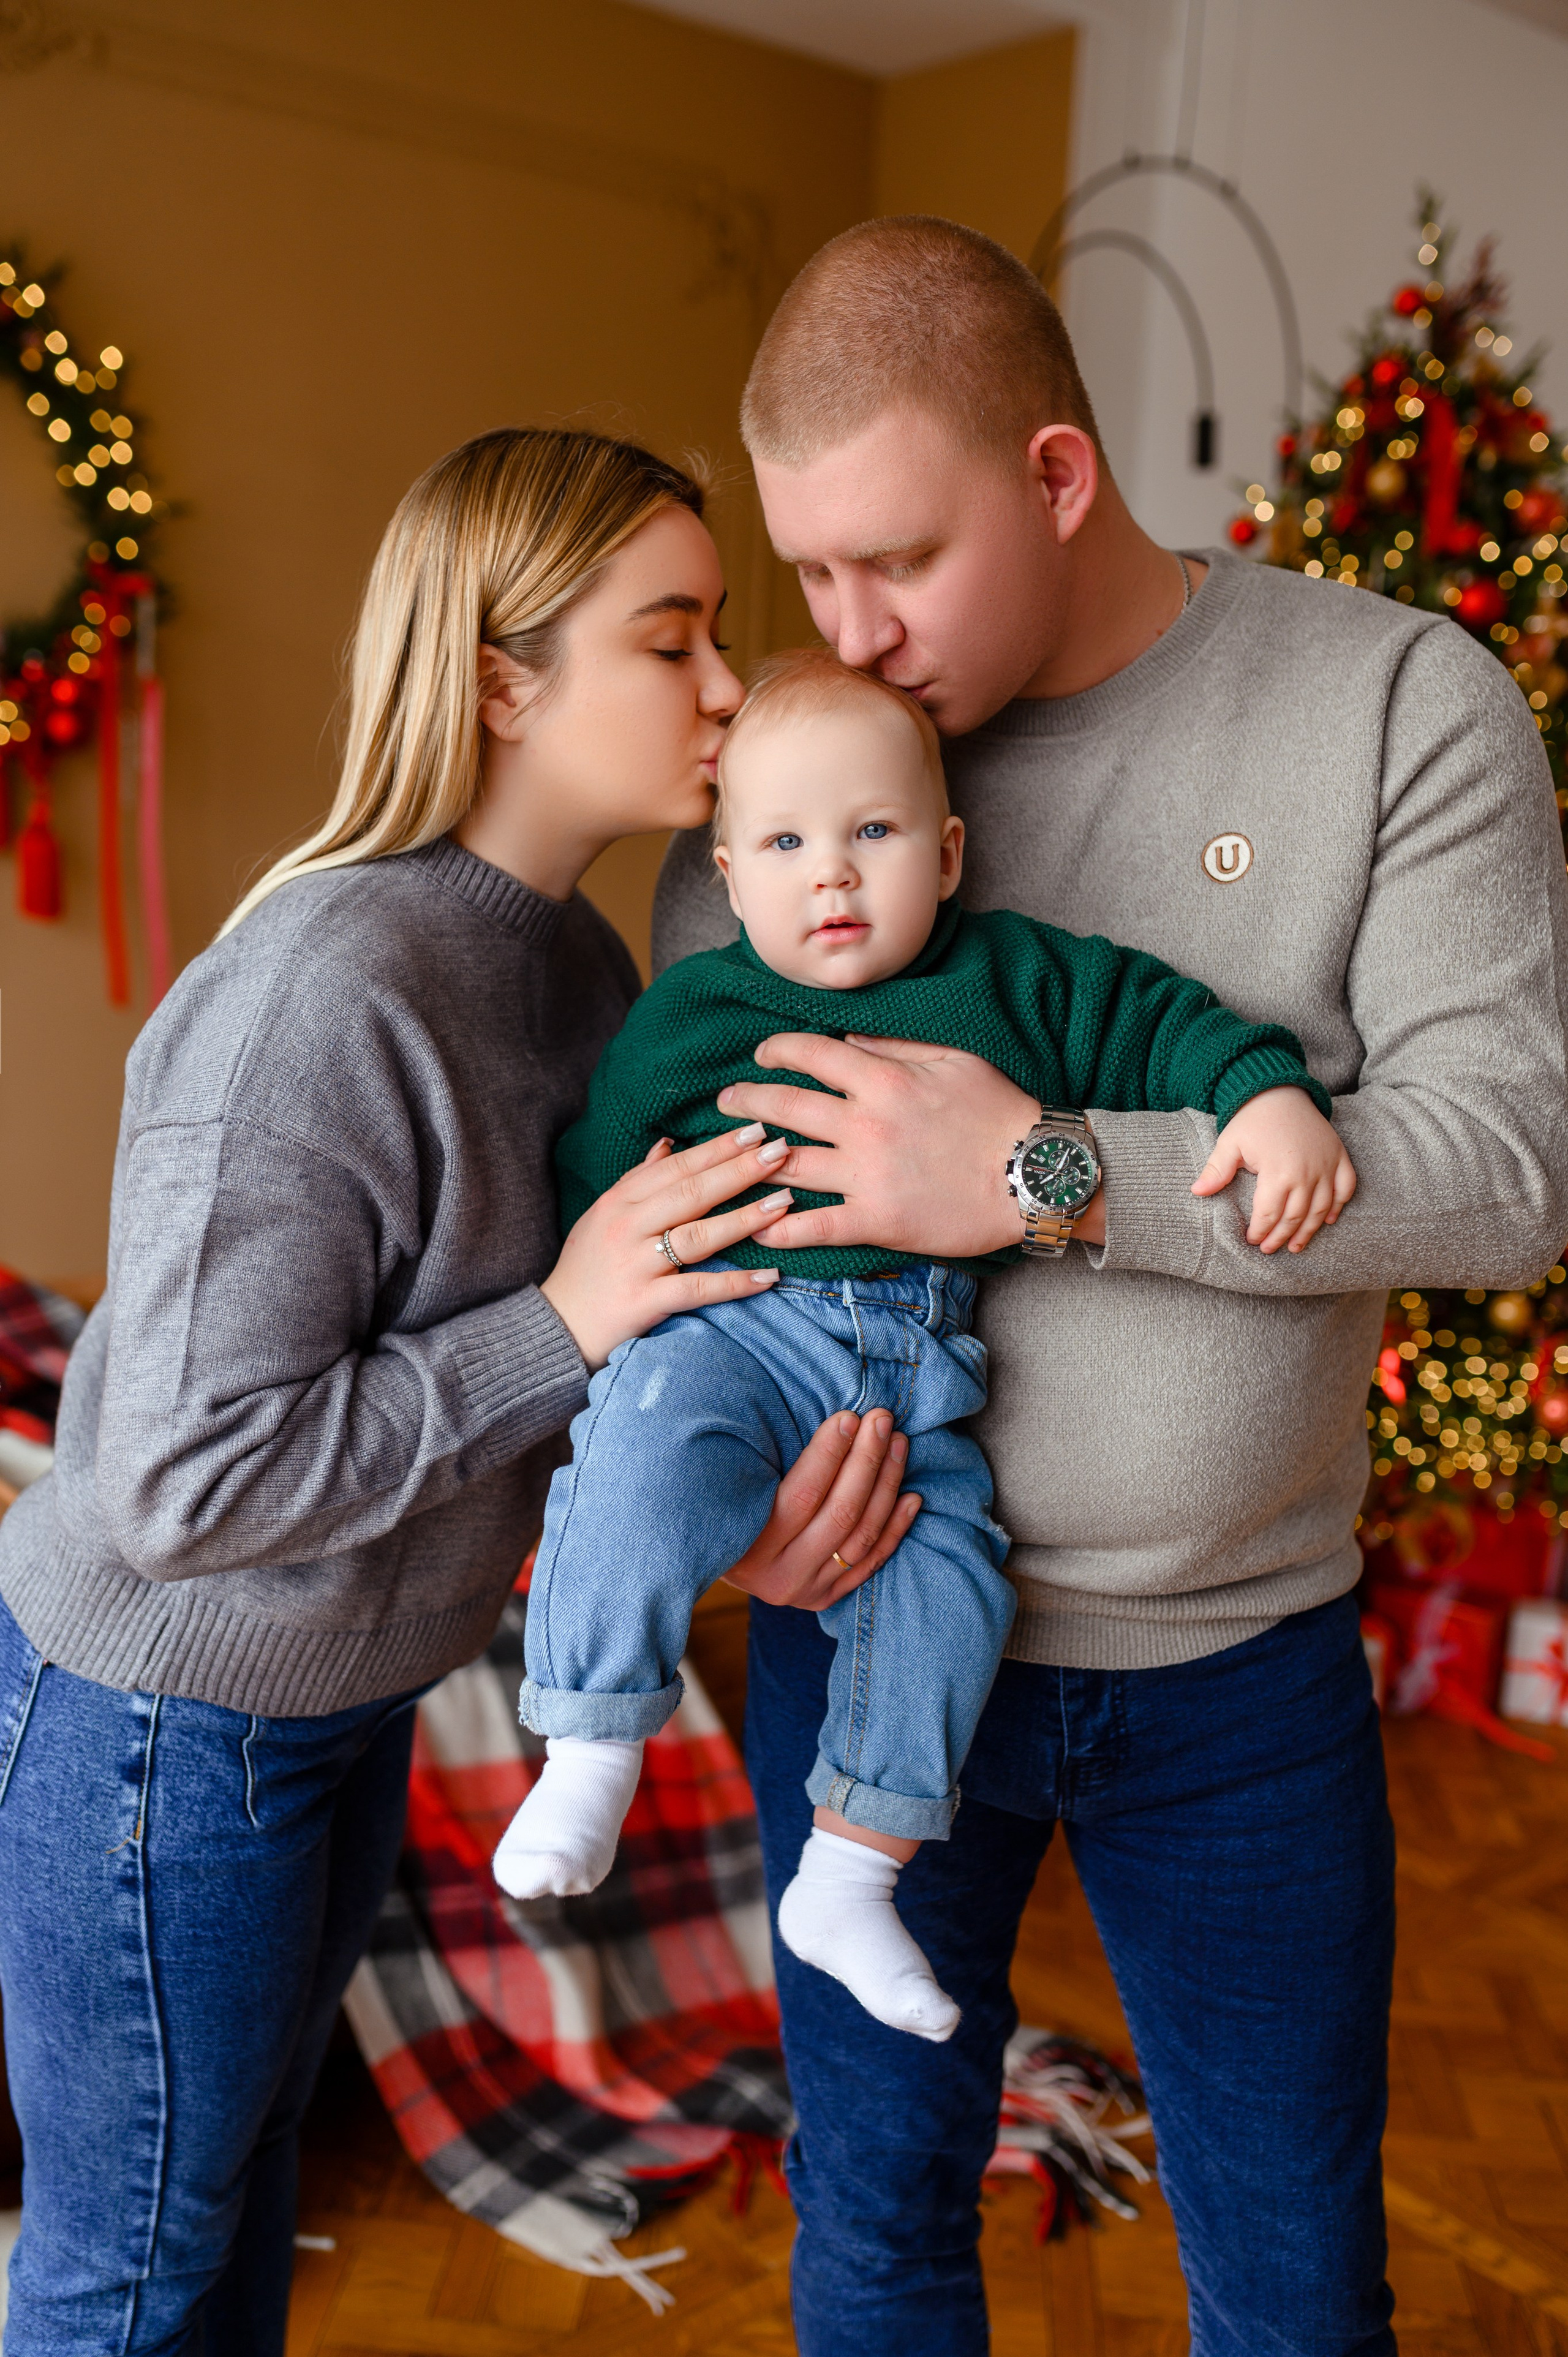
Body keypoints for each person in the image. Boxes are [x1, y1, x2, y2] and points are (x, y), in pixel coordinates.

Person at [652, 218, 1568, 2357]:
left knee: (1293, 2287)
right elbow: (695, 1207)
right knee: (875, 2229)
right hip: (862, 1636)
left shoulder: (1390, 704)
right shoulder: (792, 774)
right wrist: (728, 1507)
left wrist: (1042, 1176)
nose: (849, 638)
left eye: (900, 560)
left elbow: (1508, 1171)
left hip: (1237, 1674)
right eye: (812, 573)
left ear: (1059, 475)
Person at [0, 427, 916, 2356]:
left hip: (342, 1703)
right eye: (672, 638)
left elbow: (618, 1350)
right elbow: (182, 1482)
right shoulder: (324, 993)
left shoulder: (580, 969)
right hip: (164, 1722)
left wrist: (734, 1495)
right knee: (131, 2275)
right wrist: (561, 1325)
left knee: (233, 2207)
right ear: (505, 682)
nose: (730, 687)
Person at [494, 645, 1353, 2053]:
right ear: (728, 876)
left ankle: (849, 1871)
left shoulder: (1009, 980)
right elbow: (597, 1179)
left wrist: (1259, 1095)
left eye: (873, 832)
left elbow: (1154, 1021)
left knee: (951, 1590)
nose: (831, 874)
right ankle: (588, 1743)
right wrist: (598, 1289)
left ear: (945, 854)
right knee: (642, 1458)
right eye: (785, 845)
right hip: (734, 1332)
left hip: (918, 1379)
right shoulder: (696, 1013)